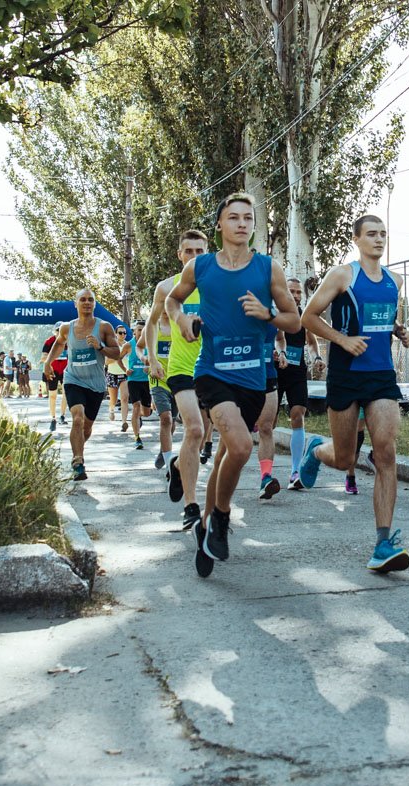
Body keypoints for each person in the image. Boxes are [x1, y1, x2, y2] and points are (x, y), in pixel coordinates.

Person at [166, 193, 302, 576]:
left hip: (252, 378)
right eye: (234, 217)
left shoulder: (268, 269)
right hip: (212, 372)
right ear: (220, 225)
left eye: (248, 218)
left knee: (228, 455)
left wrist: (268, 313)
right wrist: (182, 321)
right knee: (241, 446)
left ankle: (208, 528)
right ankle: (223, 518)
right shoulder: (201, 267)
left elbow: (294, 321)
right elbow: (173, 302)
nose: (242, 223)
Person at [298, 215, 409, 573]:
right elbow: (309, 317)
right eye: (372, 234)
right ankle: (317, 450)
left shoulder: (395, 280)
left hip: (381, 375)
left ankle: (383, 542)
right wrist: (342, 340)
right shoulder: (342, 276)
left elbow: (380, 319)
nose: (380, 239)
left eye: (383, 234)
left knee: (386, 453)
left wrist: (399, 331)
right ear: (357, 239)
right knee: (346, 458)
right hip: (346, 376)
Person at [147, 229, 211, 531]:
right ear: (180, 254)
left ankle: (176, 465)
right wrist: (153, 358)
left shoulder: (217, 283)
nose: (195, 257)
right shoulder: (168, 287)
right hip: (181, 367)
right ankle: (190, 505)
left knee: (202, 435)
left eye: (201, 252)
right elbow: (150, 324)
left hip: (212, 368)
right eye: (189, 251)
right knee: (194, 429)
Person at [44, 288, 121, 480]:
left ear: (94, 304)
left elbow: (117, 353)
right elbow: (59, 343)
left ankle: (79, 448)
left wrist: (100, 347)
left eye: (91, 300)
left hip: (95, 384)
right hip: (73, 379)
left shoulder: (104, 327)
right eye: (83, 299)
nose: (87, 303)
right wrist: (47, 363)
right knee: (77, 418)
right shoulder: (66, 328)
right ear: (75, 303)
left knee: (86, 428)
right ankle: (78, 460)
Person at [275, 277, 321, 489]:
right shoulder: (275, 314)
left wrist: (317, 358)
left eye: (298, 292)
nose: (295, 296)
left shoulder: (305, 316)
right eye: (291, 292)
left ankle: (295, 472)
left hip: (296, 373)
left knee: (297, 415)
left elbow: (311, 343)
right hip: (274, 372)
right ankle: (266, 471)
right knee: (268, 423)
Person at [145, 278, 178, 472]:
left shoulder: (179, 324)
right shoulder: (154, 326)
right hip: (158, 378)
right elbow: (140, 347)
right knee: (165, 418)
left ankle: (163, 450)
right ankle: (168, 463)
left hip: (177, 377)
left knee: (171, 422)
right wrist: (148, 358)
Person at [255, 321, 284, 500]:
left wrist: (281, 352)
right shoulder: (241, 306)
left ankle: (266, 478)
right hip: (242, 377)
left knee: (266, 428)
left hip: (268, 376)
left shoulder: (275, 312)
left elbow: (280, 338)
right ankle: (222, 476)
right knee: (235, 436)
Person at [125, 320, 153, 449]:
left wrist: (150, 367)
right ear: (134, 331)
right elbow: (118, 358)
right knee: (136, 406)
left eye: (144, 330)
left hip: (147, 381)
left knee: (146, 413)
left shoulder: (150, 344)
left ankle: (140, 416)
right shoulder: (129, 345)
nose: (141, 332)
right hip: (133, 381)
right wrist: (126, 370)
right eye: (139, 330)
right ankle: (137, 438)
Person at [41, 322, 69, 430]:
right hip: (53, 370)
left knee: (65, 393)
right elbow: (43, 356)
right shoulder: (49, 341)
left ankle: (62, 415)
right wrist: (48, 364)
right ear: (55, 331)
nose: (59, 333)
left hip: (65, 370)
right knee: (52, 395)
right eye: (57, 330)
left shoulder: (68, 341)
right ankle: (53, 418)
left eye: (61, 330)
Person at [105, 326, 130, 424]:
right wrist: (119, 356)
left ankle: (124, 422)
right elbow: (106, 362)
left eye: (124, 333)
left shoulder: (128, 345)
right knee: (113, 400)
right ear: (116, 334)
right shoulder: (111, 345)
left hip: (124, 374)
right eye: (120, 333)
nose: (123, 335)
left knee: (124, 398)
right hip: (112, 374)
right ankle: (111, 409)